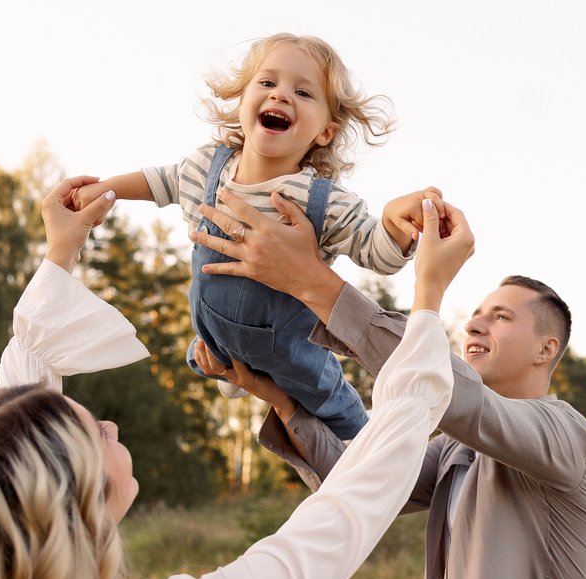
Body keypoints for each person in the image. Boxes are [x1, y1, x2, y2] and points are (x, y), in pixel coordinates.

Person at [0, 175, 474, 579]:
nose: (111, 426)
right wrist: (427, 299)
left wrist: (61, 250)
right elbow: (345, 511)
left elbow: (7, 435)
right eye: (93, 431)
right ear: (70, 512)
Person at [190, 191, 586, 579]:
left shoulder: (570, 438)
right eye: (475, 315)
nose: (474, 326)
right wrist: (281, 401)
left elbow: (455, 395)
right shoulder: (457, 449)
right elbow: (358, 472)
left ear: (545, 349)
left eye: (501, 317)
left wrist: (313, 284)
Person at [72, 33, 442, 440]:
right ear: (241, 100)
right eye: (267, 83)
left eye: (303, 92)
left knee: (332, 403)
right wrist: (105, 190)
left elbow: (379, 255)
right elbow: (157, 181)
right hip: (215, 330)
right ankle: (225, 360)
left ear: (325, 132)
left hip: (291, 349)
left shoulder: (322, 200)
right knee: (209, 343)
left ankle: (375, 450)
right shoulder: (206, 169)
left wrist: (394, 223)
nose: (281, 95)